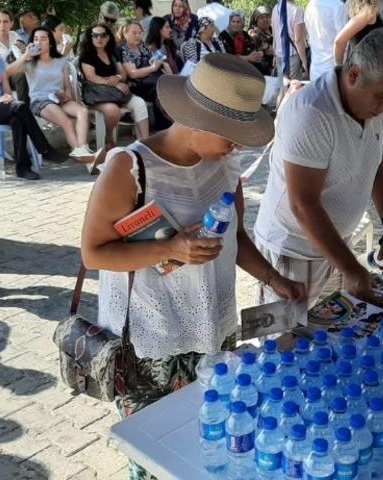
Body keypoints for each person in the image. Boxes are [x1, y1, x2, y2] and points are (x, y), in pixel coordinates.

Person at [80, 53, 306, 480]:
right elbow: (94, 252)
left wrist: (277, 281)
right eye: (233, 135)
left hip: (210, 330)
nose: (237, 145)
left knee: (207, 442)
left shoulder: (225, 166)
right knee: (154, 457)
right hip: (150, 341)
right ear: (200, 121)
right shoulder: (130, 168)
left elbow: (236, 239)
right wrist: (173, 250)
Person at [254, 30, 383, 304]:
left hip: (336, 245)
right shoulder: (312, 113)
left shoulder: (371, 104)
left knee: (330, 335)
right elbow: (303, 204)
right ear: (354, 75)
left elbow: (380, 166)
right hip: (292, 251)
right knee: (285, 343)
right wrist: (351, 268)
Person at [0, 26, 71, 180]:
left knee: (17, 119)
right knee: (21, 107)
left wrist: (8, 97)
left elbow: (6, 88)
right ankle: (45, 149)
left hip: (1, 106)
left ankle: (23, 168)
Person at [8, 27, 94, 160]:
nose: (39, 42)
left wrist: (66, 96)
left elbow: (67, 86)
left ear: (50, 43)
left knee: (83, 112)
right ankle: (84, 155)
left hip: (60, 99)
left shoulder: (61, 61)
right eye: (36, 39)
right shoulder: (30, 63)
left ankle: (81, 150)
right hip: (40, 102)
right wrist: (26, 55)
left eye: (43, 39)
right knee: (67, 122)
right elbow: (8, 72)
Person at [80, 23, 151, 146]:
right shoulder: (87, 55)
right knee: (113, 110)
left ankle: (145, 143)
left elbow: (123, 74)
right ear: (90, 38)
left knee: (139, 103)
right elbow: (91, 77)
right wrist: (114, 84)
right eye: (95, 35)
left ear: (108, 37)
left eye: (103, 35)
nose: (99, 38)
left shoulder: (112, 53)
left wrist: (117, 77)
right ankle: (108, 139)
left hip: (116, 93)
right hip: (97, 94)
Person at [119, 19, 173, 130]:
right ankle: (164, 128)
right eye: (134, 33)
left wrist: (160, 63)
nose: (138, 36)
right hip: (138, 85)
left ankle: (176, 122)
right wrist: (153, 68)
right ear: (125, 33)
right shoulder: (124, 50)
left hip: (152, 80)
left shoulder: (142, 46)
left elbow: (152, 60)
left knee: (171, 86)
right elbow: (133, 74)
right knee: (159, 90)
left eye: (140, 33)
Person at [305, 0, 349, 81]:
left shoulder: (310, 6)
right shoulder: (338, 6)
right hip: (333, 70)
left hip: (315, 69)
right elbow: (343, 41)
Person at [334, 0, 383, 67]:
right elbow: (339, 41)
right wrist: (339, 66)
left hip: (364, 66)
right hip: (362, 69)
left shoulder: (367, 10)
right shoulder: (367, 13)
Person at [272, 0, 309, 80]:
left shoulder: (276, 8)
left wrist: (274, 54)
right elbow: (298, 40)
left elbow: (274, 34)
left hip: (279, 55)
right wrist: (304, 61)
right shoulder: (297, 10)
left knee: (283, 88)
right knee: (294, 89)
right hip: (292, 56)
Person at [249, 6, 276, 75]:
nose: (265, 19)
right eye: (261, 17)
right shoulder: (253, 33)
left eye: (267, 17)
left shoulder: (275, 30)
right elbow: (270, 51)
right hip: (263, 71)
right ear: (256, 20)